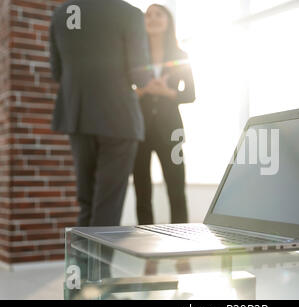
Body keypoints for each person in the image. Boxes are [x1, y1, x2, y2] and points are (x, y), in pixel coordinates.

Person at [49, 0, 150, 228]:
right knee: (108, 205)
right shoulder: (129, 13)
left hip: (77, 116)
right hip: (119, 118)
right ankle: (98, 265)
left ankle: (80, 264)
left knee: (86, 202)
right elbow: (140, 76)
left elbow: (57, 72)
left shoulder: (60, 13)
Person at [133, 4, 195, 226]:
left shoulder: (181, 55)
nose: (152, 18)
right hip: (140, 129)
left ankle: (182, 242)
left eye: (158, 14)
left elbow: (190, 94)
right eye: (148, 15)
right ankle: (144, 243)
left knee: (176, 187)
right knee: (142, 189)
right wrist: (143, 90)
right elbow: (125, 90)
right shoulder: (137, 56)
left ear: (168, 21)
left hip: (172, 131)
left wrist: (166, 92)